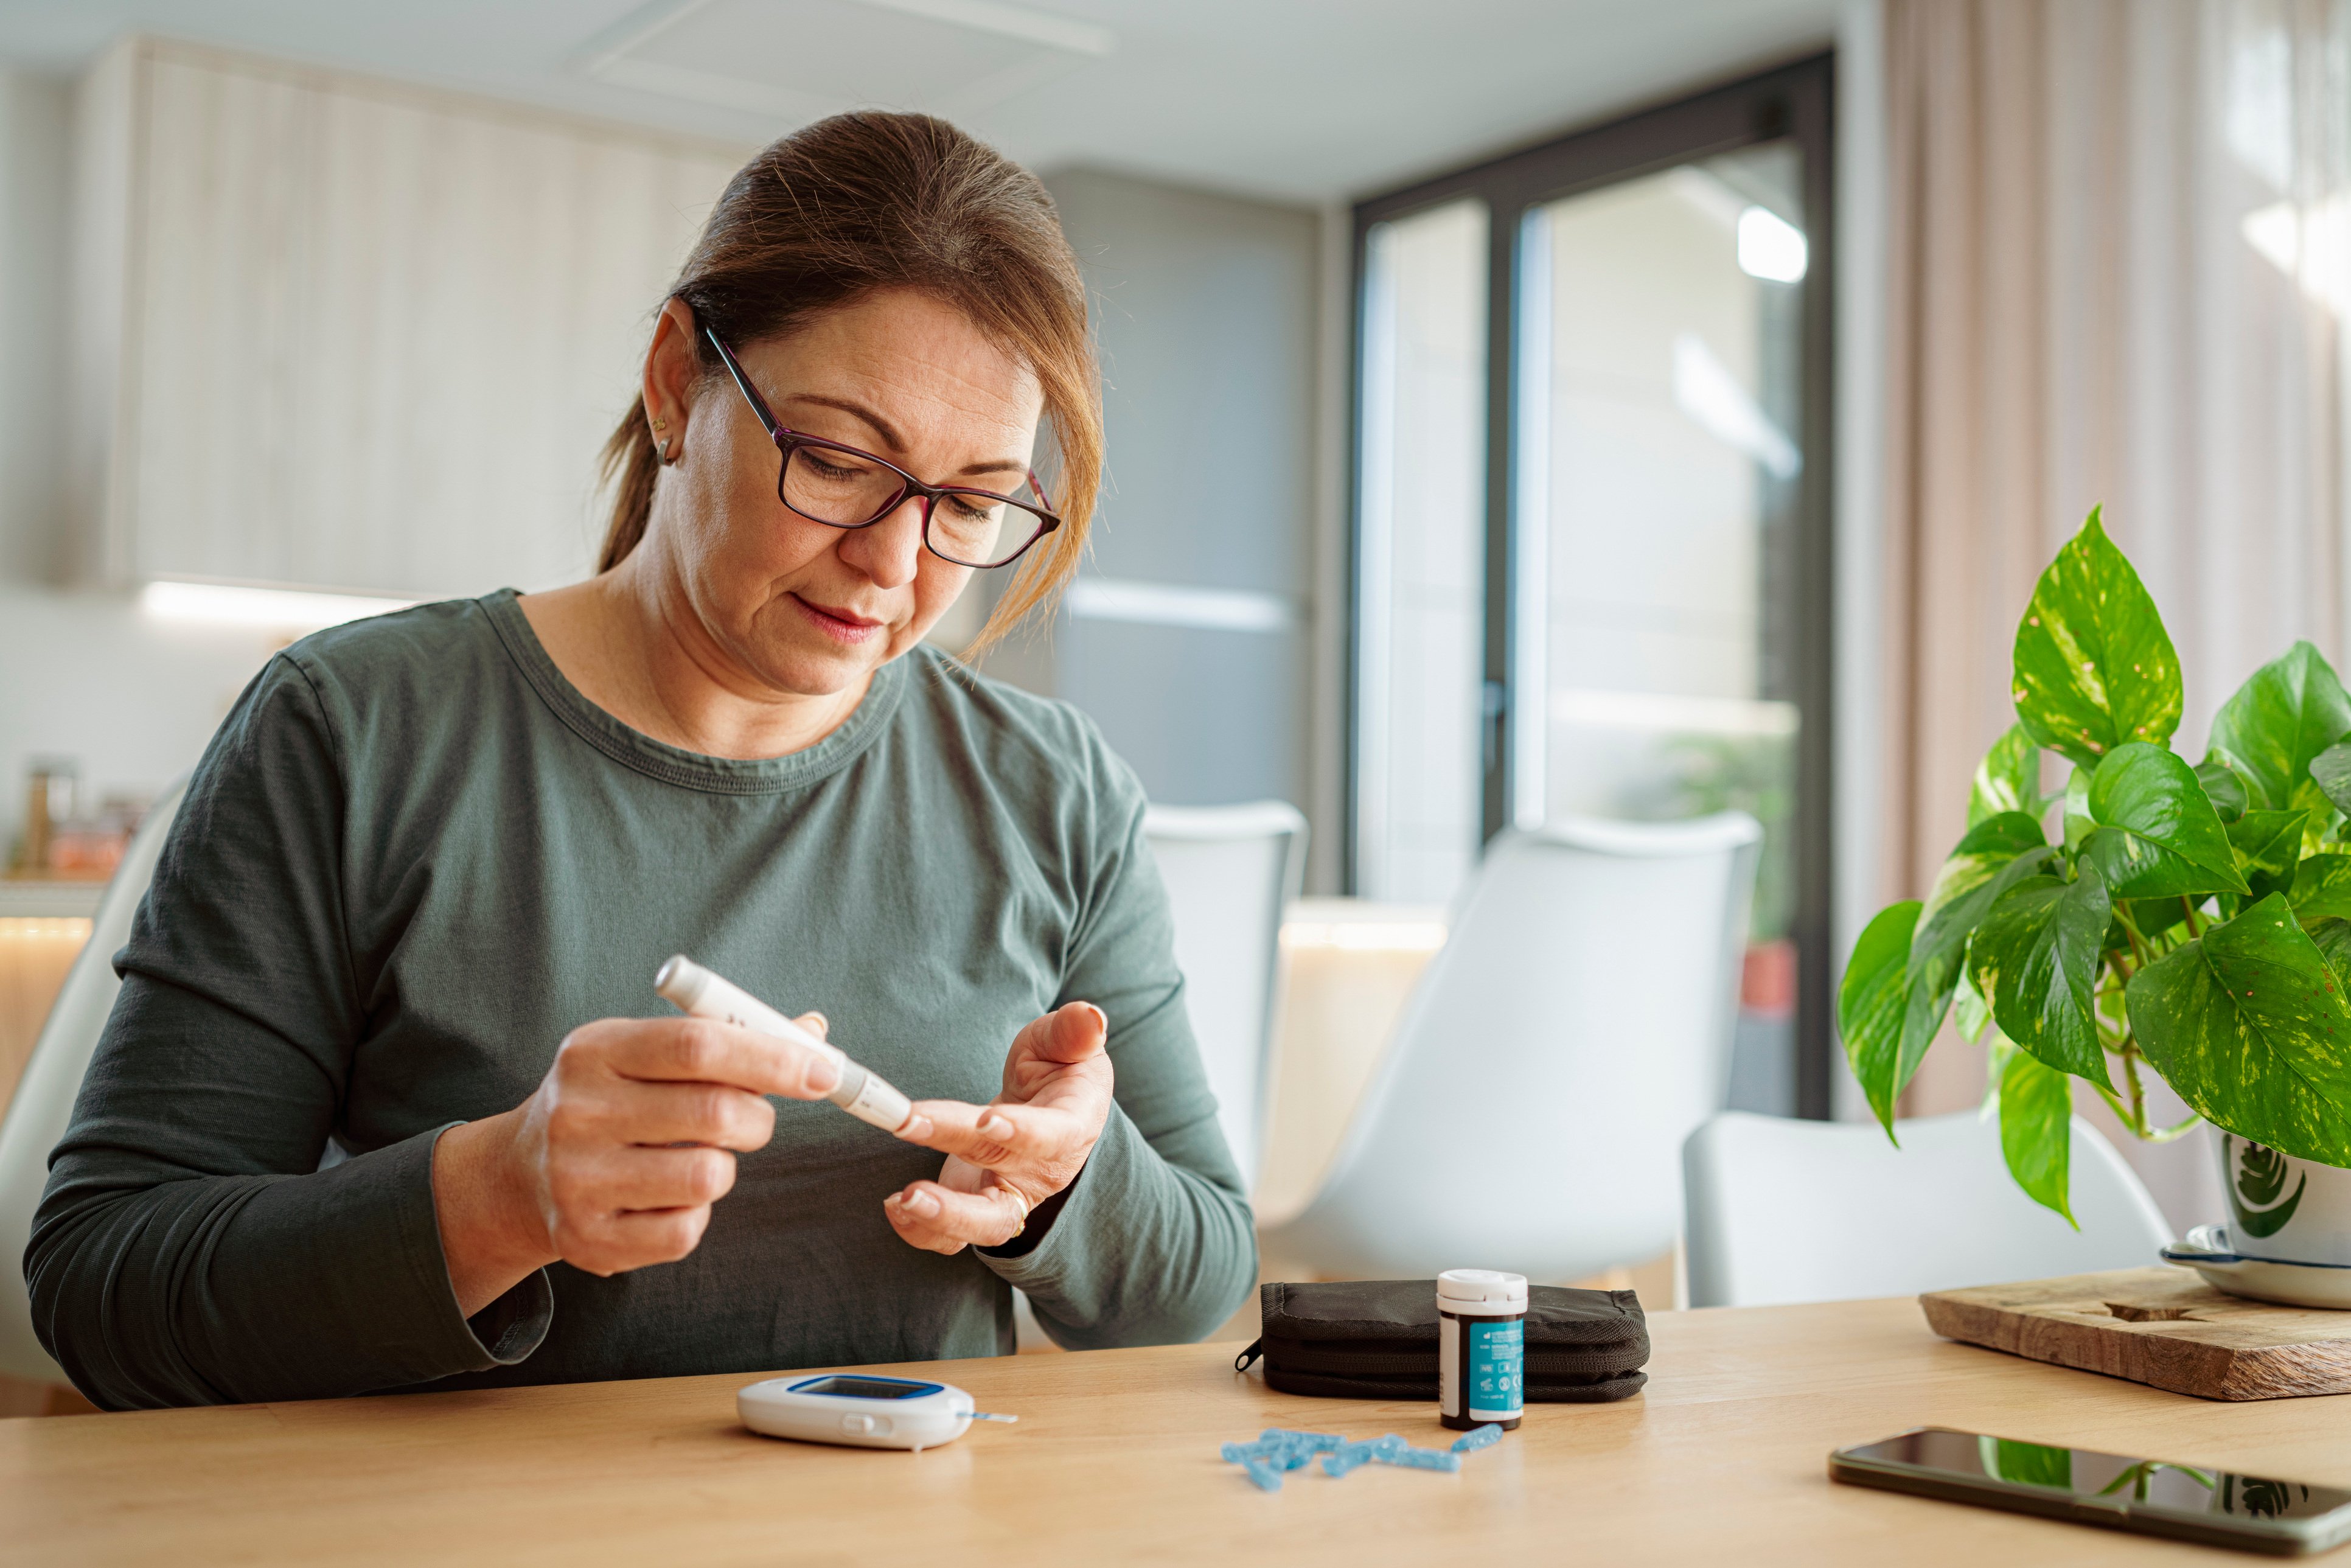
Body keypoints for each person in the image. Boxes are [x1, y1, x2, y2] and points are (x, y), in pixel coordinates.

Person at [28, 111, 1256, 1410]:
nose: (897, 567)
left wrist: (1062, 1185)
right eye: (837, 462)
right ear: (678, 380)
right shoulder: (352, 726)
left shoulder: (1050, 788)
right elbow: (104, 1288)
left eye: (967, 504)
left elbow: (1200, 1278)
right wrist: (496, 1198)